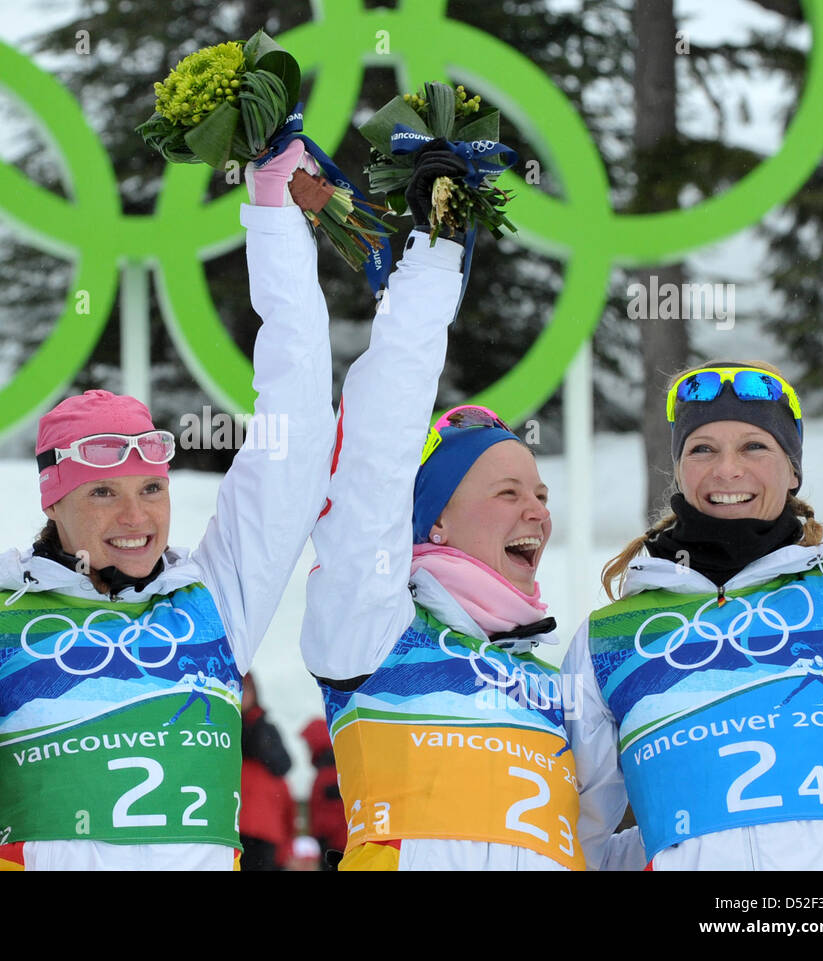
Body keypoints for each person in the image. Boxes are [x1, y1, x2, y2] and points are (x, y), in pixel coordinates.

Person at [0, 141, 337, 870]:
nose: (135, 517)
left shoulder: (213, 607)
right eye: (103, 493)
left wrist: (272, 215)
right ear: (55, 505)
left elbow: (295, 439)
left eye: (151, 489)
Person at [298, 146, 583, 871]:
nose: (537, 513)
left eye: (542, 495)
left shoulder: (561, 686)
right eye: (507, 492)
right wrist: (433, 260)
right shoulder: (376, 632)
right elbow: (372, 466)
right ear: (435, 524)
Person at [565, 361, 823, 870]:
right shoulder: (609, 638)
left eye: (754, 446)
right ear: (680, 469)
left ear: (794, 469)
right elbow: (579, 840)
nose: (727, 470)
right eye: (702, 449)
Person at [238, 673, 296, 870]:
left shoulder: (265, 727)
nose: (243, 695)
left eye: (247, 690)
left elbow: (283, 764)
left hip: (262, 824)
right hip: (237, 823)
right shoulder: (222, 728)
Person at [300, 718, 346, 867]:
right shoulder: (338, 767)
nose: (307, 749)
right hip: (341, 841)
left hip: (335, 843)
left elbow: (330, 813)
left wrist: (321, 835)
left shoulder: (329, 773)